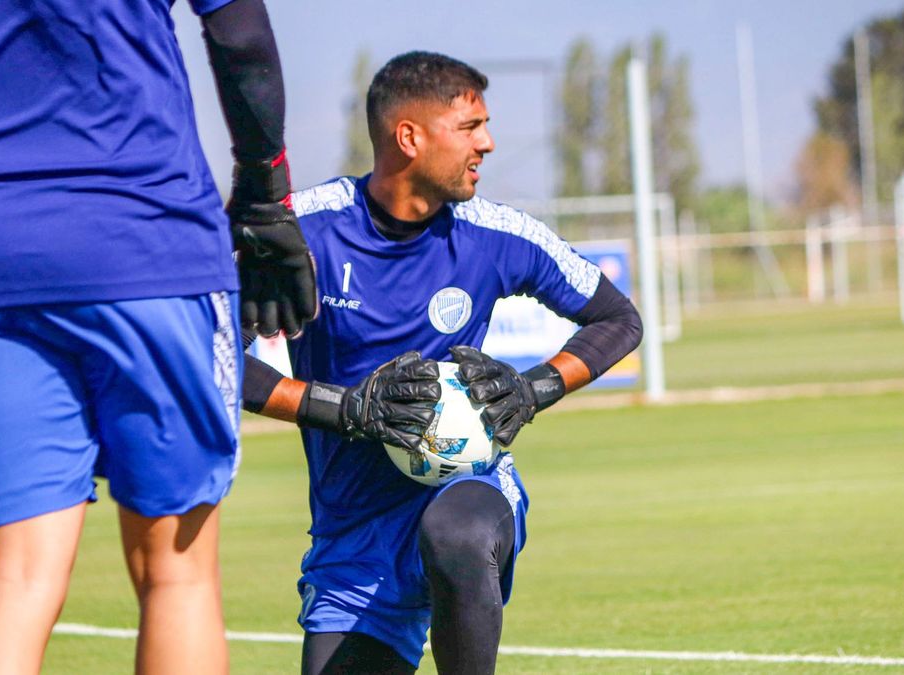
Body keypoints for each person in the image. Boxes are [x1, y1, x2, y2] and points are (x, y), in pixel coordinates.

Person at [0, 0, 315, 672]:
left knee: (15, 581)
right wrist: (267, 194)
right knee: (176, 574)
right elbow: (240, 36)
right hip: (148, 240)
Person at [241, 51, 643, 674]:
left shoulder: (496, 234)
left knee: (456, 534)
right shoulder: (304, 230)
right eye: (470, 127)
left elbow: (620, 320)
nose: (488, 142)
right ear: (409, 137)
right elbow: (205, 347)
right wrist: (343, 408)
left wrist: (535, 388)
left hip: (468, 493)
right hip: (353, 538)